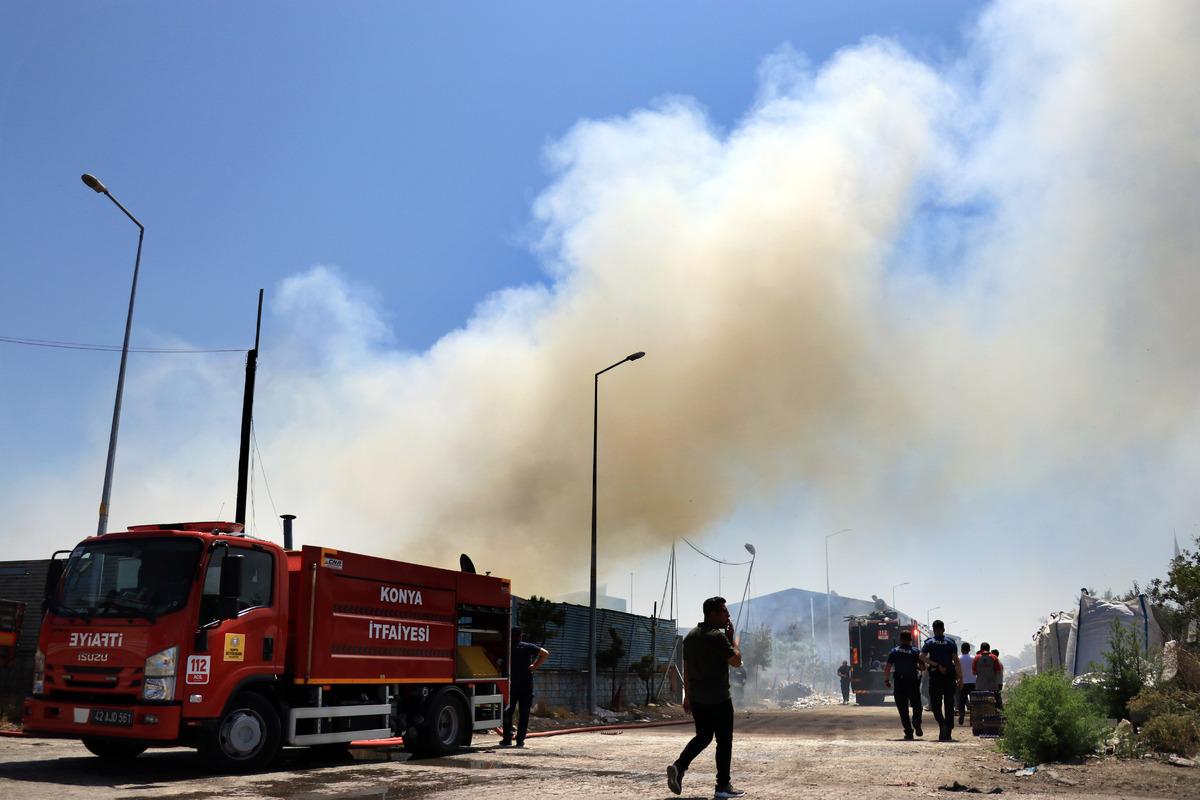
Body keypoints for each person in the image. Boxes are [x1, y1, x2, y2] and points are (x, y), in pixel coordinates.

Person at [667, 596, 745, 798]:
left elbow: (687, 668)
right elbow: (736, 661)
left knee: (703, 736)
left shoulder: (690, 637)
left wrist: (687, 697)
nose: (728, 615)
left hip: (698, 699)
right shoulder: (717, 637)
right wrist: (734, 640)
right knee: (724, 741)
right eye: (724, 611)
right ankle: (722, 787)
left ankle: (679, 766)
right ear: (713, 614)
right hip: (719, 699)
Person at [500, 627, 548, 748]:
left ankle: (507, 739)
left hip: (512, 685)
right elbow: (545, 654)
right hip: (526, 684)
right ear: (521, 635)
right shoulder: (528, 647)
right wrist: (534, 666)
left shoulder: (507, 648)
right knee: (524, 713)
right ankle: (520, 741)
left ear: (510, 636)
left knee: (508, 712)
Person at [920, 620, 963, 741]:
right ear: (943, 629)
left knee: (935, 705)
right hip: (949, 676)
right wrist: (960, 678)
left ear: (934, 630)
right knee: (949, 704)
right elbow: (956, 661)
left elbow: (922, 657)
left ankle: (942, 725)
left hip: (935, 676)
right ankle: (948, 732)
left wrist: (936, 665)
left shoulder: (929, 643)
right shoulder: (950, 642)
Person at [883, 629, 924, 740]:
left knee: (903, 709)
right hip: (913, 682)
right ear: (910, 639)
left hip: (899, 683)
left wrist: (886, 681)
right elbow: (923, 667)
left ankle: (909, 732)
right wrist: (915, 666)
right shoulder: (915, 651)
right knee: (917, 706)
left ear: (900, 639)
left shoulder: (894, 651)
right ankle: (916, 721)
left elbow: (887, 668)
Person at [972, 642, 1001, 709]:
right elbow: (998, 671)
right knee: (994, 705)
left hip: (980, 686)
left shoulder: (976, 658)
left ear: (980, 648)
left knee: (980, 705)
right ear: (989, 648)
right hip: (992, 686)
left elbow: (974, 672)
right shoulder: (994, 657)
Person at [957, 642, 975, 725]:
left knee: (962, 700)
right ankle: (973, 717)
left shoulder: (958, 658)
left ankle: (962, 714)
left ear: (961, 649)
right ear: (969, 650)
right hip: (973, 682)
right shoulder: (973, 658)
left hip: (962, 682)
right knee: (973, 701)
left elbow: (956, 670)